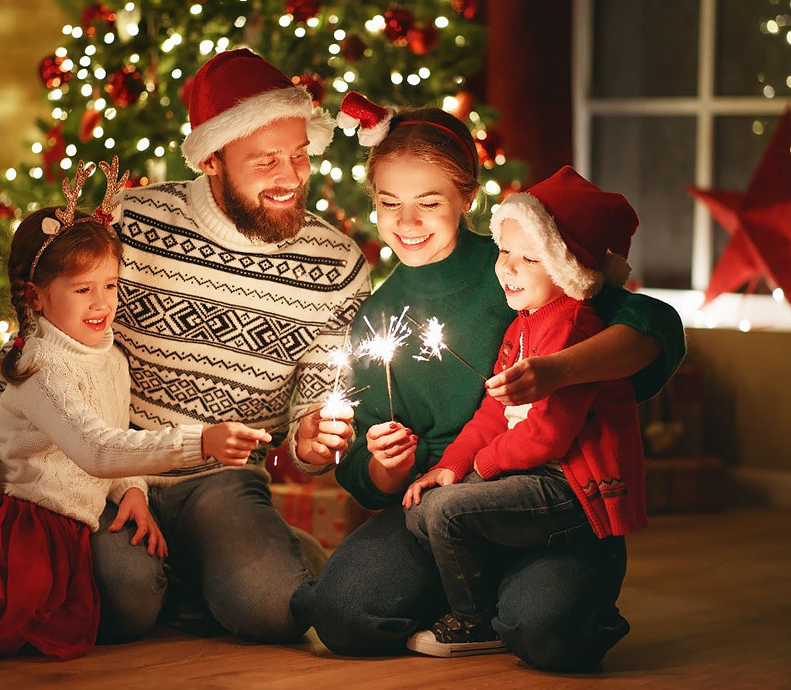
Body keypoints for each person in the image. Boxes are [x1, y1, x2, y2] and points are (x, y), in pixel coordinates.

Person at [0, 49, 370, 643]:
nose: (290, 177)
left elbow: (313, 412)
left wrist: (312, 441)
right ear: (211, 157)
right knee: (124, 607)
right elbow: (34, 343)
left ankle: (242, 564)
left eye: (298, 155)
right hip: (109, 472)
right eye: (266, 162)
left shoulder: (337, 265)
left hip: (221, 480)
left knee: (273, 613)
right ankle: (196, 577)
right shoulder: (128, 222)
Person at [290, 93, 685, 671]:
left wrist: (561, 369)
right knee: (344, 616)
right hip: (436, 500)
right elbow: (362, 469)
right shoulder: (377, 315)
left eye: (429, 202)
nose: (407, 222)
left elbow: (653, 324)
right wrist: (384, 466)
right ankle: (473, 599)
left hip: (541, 497)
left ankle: (523, 602)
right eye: (388, 203)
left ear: (467, 198)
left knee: (551, 634)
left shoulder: (522, 263)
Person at [0, 161, 270, 664]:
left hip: (72, 526)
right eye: (82, 289)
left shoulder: (109, 356)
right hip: (28, 523)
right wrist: (200, 439)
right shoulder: (40, 365)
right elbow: (97, 448)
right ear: (37, 297)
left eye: (110, 284)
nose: (101, 303)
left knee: (46, 627)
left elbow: (113, 434)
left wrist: (131, 489)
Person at [403, 165, 648, 658]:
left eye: (529, 258)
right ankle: (490, 591)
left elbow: (549, 435)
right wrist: (451, 465)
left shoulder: (574, 327)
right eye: (505, 251)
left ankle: (476, 623)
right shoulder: (523, 324)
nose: (508, 267)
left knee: (449, 511)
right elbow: (494, 413)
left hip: (571, 488)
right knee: (425, 510)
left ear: (569, 270)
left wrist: (481, 470)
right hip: (530, 474)